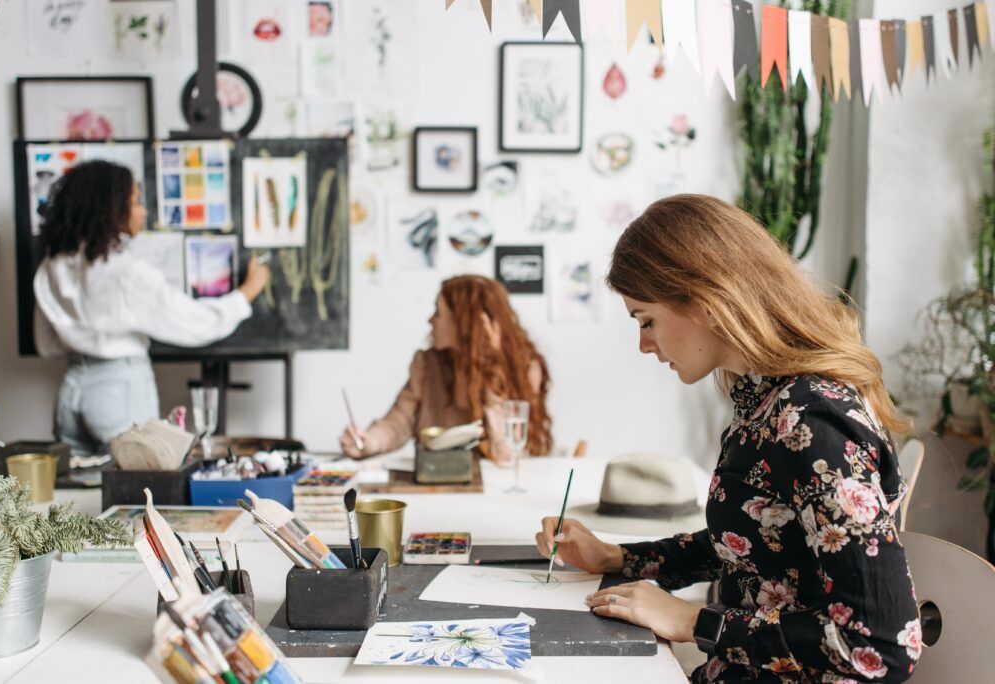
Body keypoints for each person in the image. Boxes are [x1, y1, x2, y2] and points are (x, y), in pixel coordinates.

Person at [535, 195, 920, 682]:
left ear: (703, 300)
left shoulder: (810, 420)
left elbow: (882, 643)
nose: (644, 345)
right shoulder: (763, 400)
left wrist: (693, 619)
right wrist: (619, 558)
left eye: (646, 320)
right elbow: (756, 540)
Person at [34, 160, 269, 454]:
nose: (143, 211)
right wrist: (248, 291)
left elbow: (47, 344)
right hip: (120, 388)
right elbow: (195, 323)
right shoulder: (126, 273)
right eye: (135, 201)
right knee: (136, 489)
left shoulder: (51, 267)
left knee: (71, 496)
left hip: (72, 388)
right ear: (110, 208)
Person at [340, 275, 552, 462]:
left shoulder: (524, 369)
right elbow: (398, 422)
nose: (430, 320)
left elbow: (506, 452)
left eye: (439, 312)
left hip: (494, 484)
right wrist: (368, 442)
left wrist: (492, 368)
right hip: (439, 478)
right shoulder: (427, 364)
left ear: (465, 324)